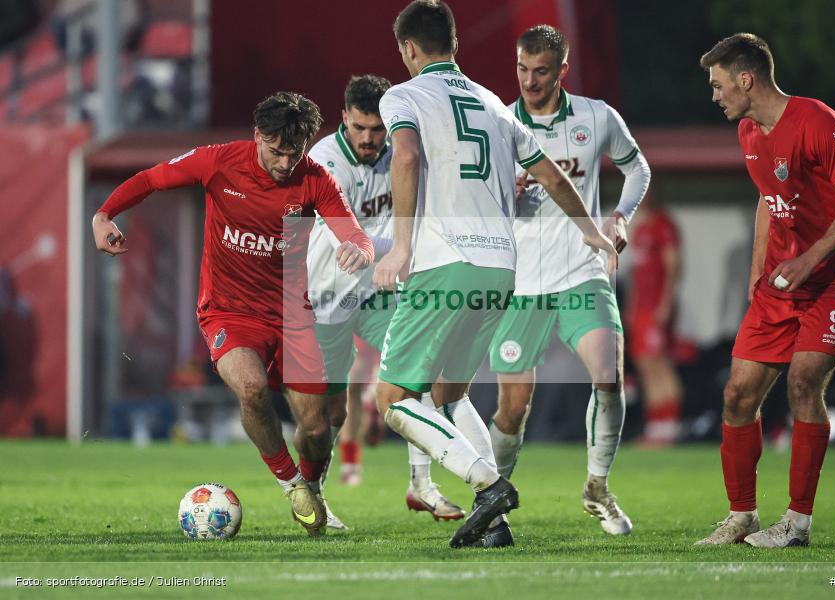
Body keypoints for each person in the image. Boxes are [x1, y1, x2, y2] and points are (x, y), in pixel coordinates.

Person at [372, 0, 616, 549]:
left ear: (409, 49)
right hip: (500, 269)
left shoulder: (404, 95)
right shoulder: (492, 103)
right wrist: (591, 231)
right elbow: (551, 174)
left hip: (446, 262)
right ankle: (496, 526)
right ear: (454, 43)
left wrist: (402, 246)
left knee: (392, 396)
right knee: (450, 393)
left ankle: (488, 486)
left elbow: (405, 155)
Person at [92, 91, 375, 538]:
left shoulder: (314, 179)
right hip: (228, 310)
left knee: (319, 427)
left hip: (292, 314)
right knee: (251, 387)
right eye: (277, 152)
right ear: (257, 135)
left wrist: (357, 250)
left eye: (294, 153)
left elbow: (353, 232)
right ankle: (291, 486)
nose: (286, 164)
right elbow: (150, 179)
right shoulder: (217, 162)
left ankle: (314, 489)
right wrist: (105, 214)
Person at [695, 33, 835, 548]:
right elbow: (766, 199)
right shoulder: (750, 130)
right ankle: (742, 515)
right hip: (779, 283)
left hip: (832, 280)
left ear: (746, 80)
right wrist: (759, 269)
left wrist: (809, 259)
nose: (715, 95)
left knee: (802, 383)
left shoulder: (818, 121)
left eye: (718, 84)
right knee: (737, 394)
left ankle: (796, 523)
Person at [486, 24, 650, 539]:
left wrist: (620, 216)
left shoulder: (596, 116)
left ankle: (597, 487)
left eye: (540, 72)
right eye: (521, 69)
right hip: (521, 284)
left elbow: (637, 166)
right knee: (513, 407)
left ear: (562, 69)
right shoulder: (496, 124)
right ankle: (492, 501)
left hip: (582, 272)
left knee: (609, 375)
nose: (529, 82)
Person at [305, 74, 463, 527]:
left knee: (418, 374)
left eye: (378, 129)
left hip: (378, 290)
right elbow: (342, 237)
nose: (370, 138)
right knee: (327, 413)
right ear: (344, 120)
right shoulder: (323, 161)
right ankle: (315, 494)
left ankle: (421, 484)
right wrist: (397, 244)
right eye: (360, 128)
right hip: (326, 294)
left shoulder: (401, 155)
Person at [625, 186, 683, 445]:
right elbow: (636, 277)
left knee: (659, 365)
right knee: (645, 367)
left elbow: (674, 267)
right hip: (640, 309)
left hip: (656, 308)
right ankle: (655, 429)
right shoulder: (639, 229)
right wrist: (631, 308)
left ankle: (668, 429)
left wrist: (665, 305)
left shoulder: (663, 224)